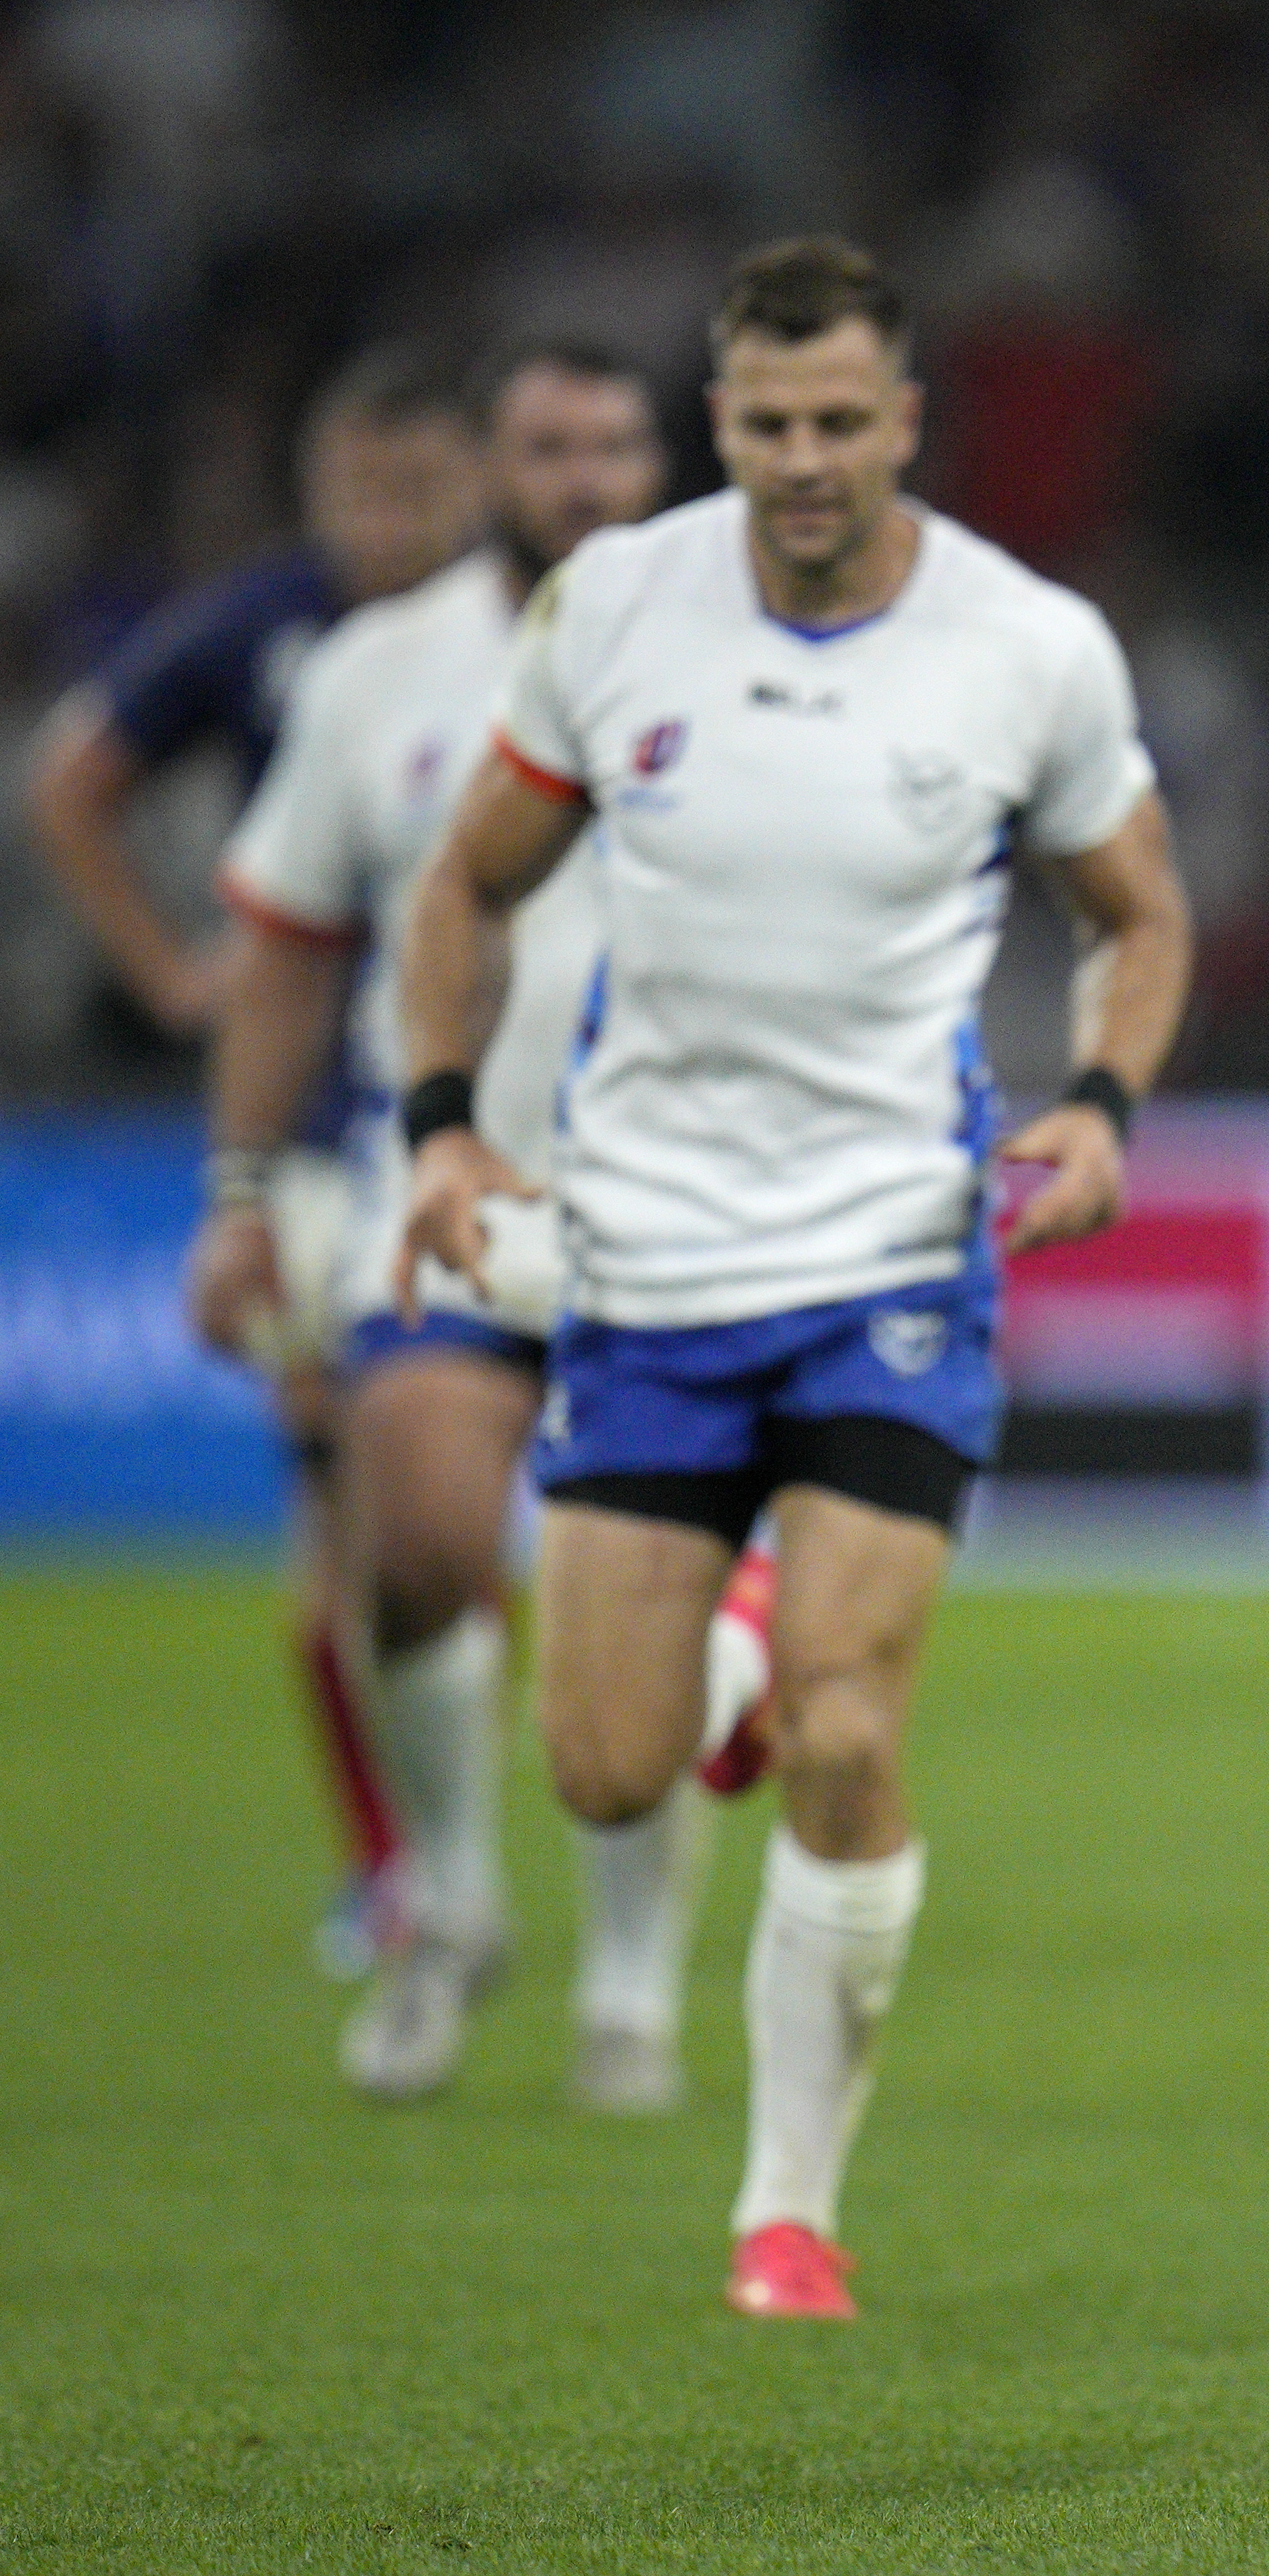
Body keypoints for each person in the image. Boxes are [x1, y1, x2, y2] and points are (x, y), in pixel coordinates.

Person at [394, 237, 1192, 2318]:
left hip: (889, 1258)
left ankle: (787, 2214)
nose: (807, 459)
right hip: (646, 1260)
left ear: (905, 416)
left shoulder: (1025, 645)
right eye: (768, 424)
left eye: (845, 420)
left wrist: (1104, 1097)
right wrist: (439, 1123)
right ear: (721, 420)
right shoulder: (617, 606)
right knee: (603, 1770)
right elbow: (469, 883)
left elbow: (1141, 907)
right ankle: (726, 1656)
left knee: (852, 1731)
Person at [192, 340, 781, 2113]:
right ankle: (443, 1899)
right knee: (424, 1549)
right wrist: (237, 1192)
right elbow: (292, 949)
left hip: (684, 1212)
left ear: (657, 461)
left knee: (643, 1604)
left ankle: (628, 1991)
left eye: (615, 444)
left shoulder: (752, 656)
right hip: (448, 1191)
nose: (584, 474)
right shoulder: (380, 672)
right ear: (494, 469)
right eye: (548, 445)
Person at [43, 345, 481, 1975]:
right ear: (316, 494)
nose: (389, 523)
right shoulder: (268, 632)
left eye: (421, 490)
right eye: (361, 491)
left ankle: (451, 1844)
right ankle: (393, 1865)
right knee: (352, 1505)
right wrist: (171, 976)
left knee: (468, 1517)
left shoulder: (538, 636)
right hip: (312, 1140)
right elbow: (72, 785)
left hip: (491, 1127)